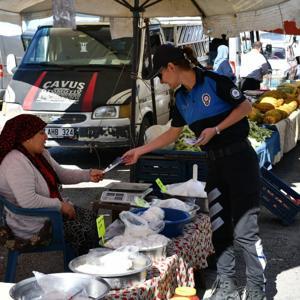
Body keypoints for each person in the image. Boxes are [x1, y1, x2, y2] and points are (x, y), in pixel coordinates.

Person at [123, 44, 267, 300]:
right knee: (219, 227)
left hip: (240, 161)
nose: (160, 80)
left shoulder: (214, 81)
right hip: (214, 165)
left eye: (160, 74)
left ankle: (256, 288)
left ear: (171, 67)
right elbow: (172, 133)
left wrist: (217, 129)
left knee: (245, 231)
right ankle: (227, 286)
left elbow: (245, 107)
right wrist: (140, 151)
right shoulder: (180, 98)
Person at [0, 114, 104, 255]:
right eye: (41, 133)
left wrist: (88, 174)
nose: (46, 137)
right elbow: (28, 201)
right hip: (32, 225)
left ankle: (98, 260)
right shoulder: (15, 162)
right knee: (83, 232)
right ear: (27, 136)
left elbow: (60, 174)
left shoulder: (41, 154)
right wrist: (60, 205)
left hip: (50, 214)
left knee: (95, 221)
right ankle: (84, 270)